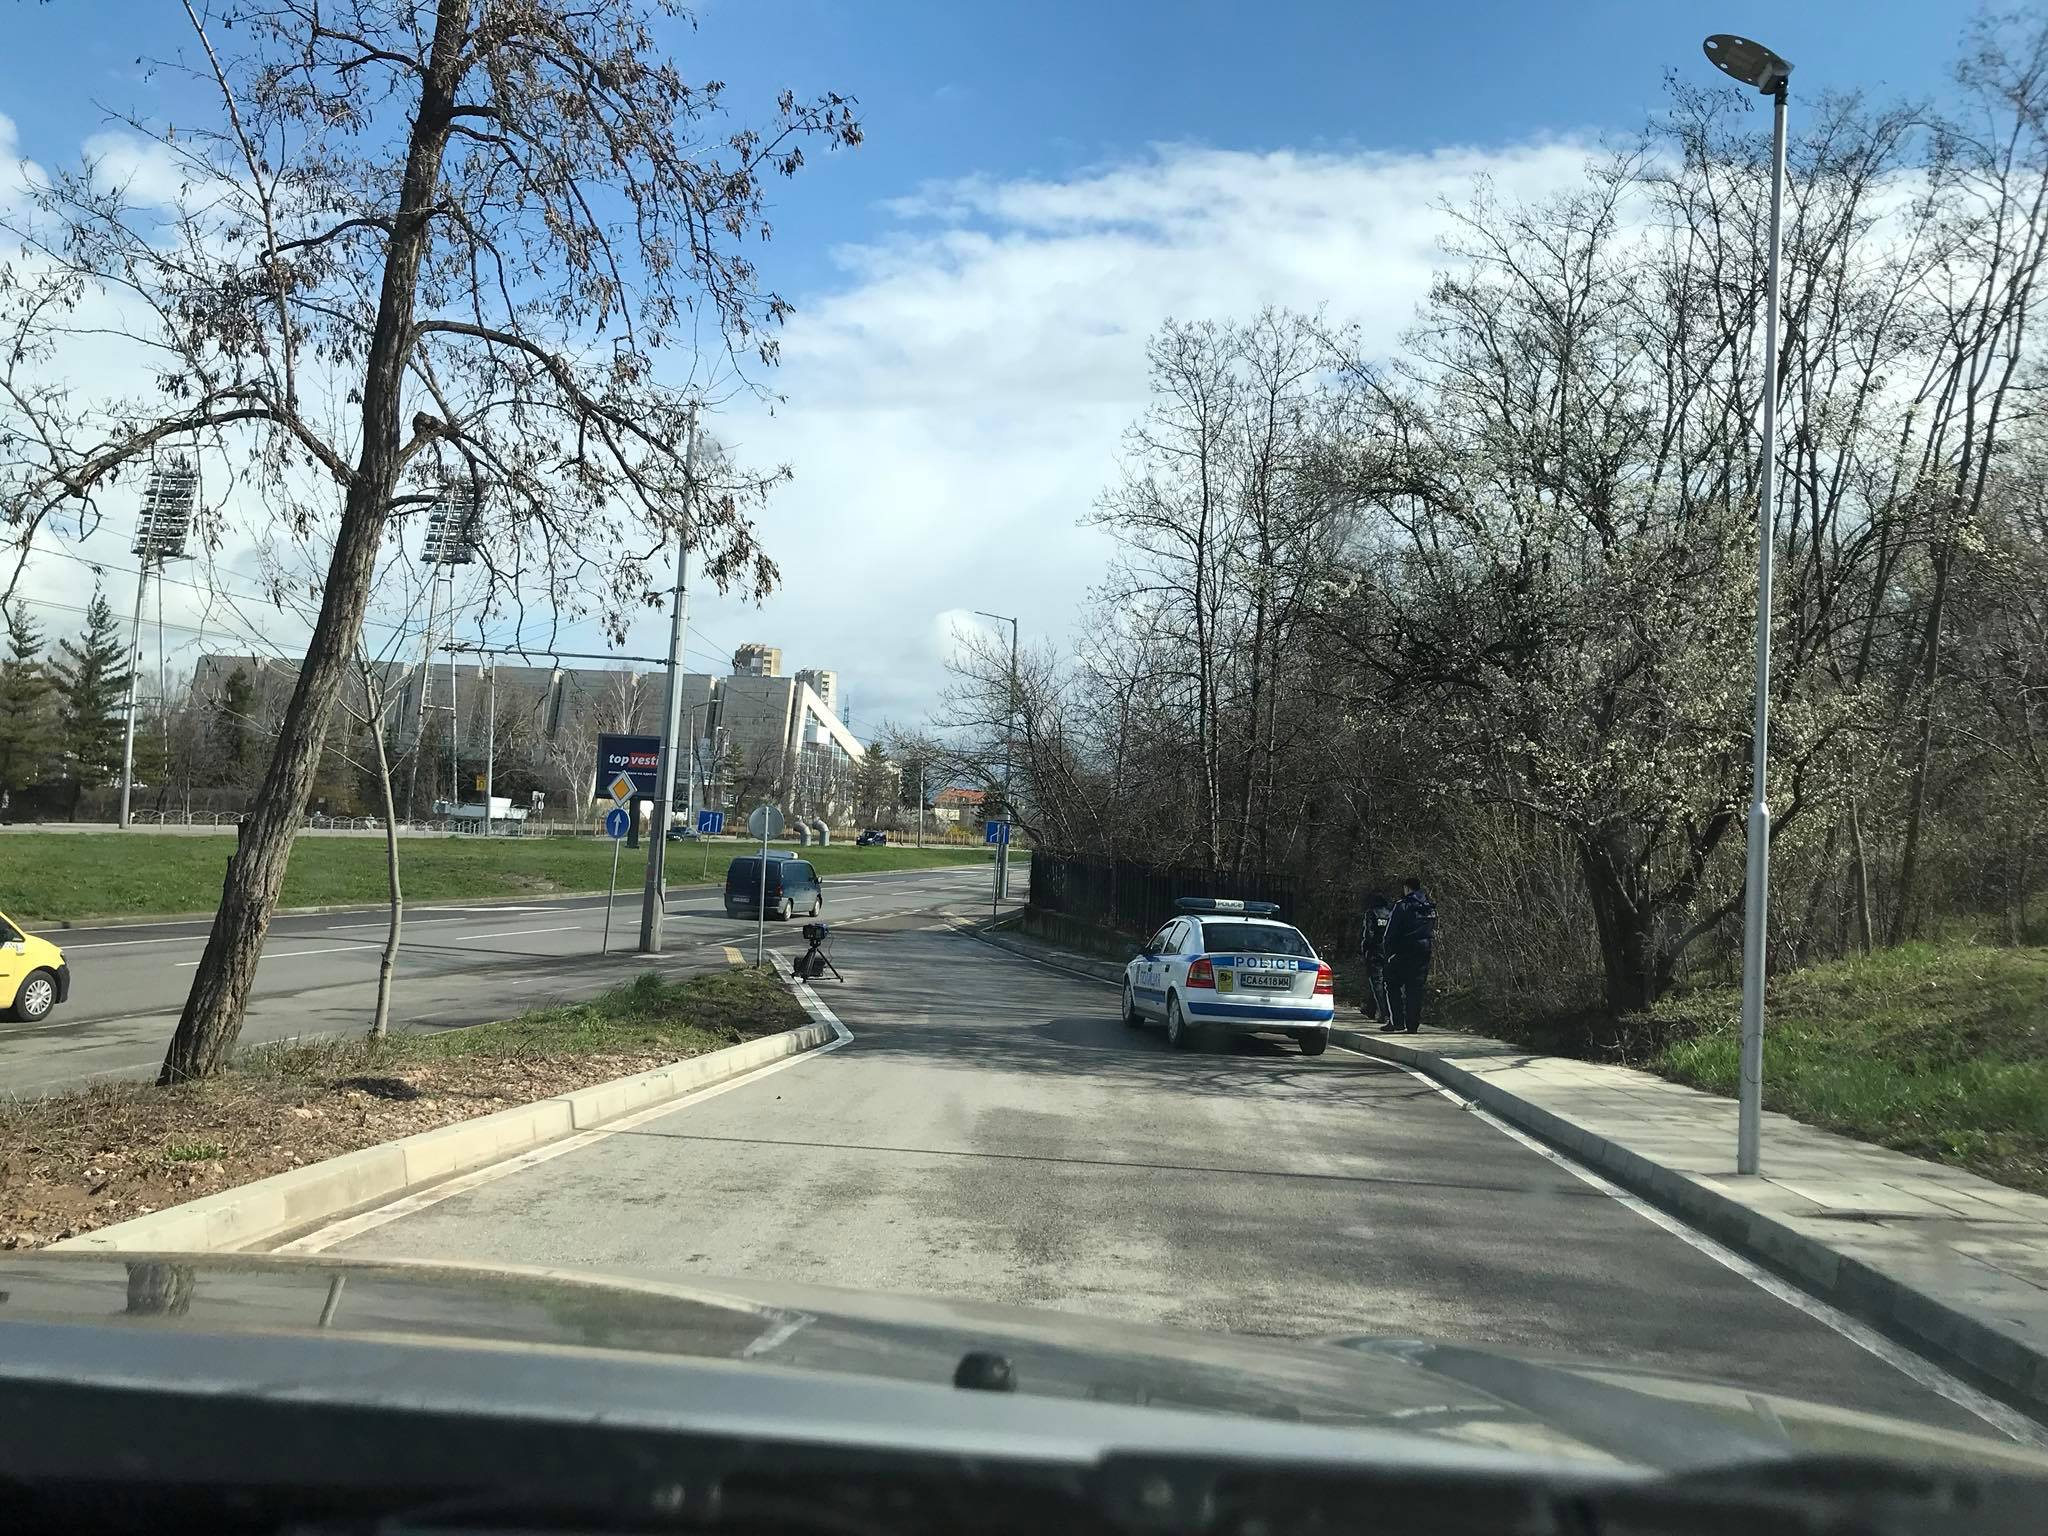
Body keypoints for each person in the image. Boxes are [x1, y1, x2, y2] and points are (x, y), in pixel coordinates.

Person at [1379, 875, 1437, 1034]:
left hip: (1402, 951)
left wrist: (1388, 954)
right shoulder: (1428, 906)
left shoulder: (1402, 906)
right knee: (1415, 989)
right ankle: (1412, 1025)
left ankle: (1396, 1021)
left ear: (1407, 888)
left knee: (1391, 984)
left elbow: (1390, 933)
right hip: (1424, 951)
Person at [1358, 891, 1393, 1021]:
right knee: (1384, 982)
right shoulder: (1390, 913)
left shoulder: (1371, 913)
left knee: (1376, 982)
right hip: (1388, 951)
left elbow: (1369, 934)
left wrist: (1364, 949)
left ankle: (1384, 1013)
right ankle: (1371, 1009)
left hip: (1375, 951)